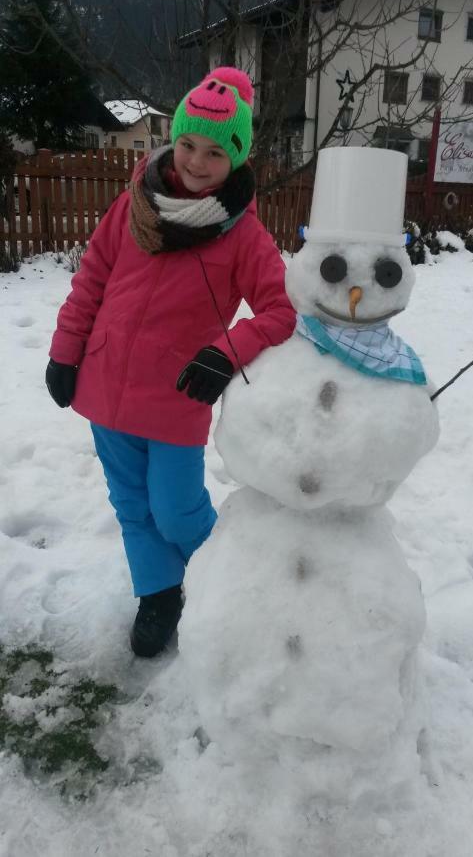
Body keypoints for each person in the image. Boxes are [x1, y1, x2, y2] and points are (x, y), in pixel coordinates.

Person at [45, 67, 296, 658]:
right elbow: (91, 282)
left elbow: (281, 310)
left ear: (236, 157)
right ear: (172, 138)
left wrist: (226, 351)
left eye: (214, 151)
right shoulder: (132, 207)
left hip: (177, 397)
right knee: (132, 506)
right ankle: (159, 594)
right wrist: (65, 351)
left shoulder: (243, 235)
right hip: (105, 386)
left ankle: (229, 581)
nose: (196, 161)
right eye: (186, 143)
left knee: (177, 510)